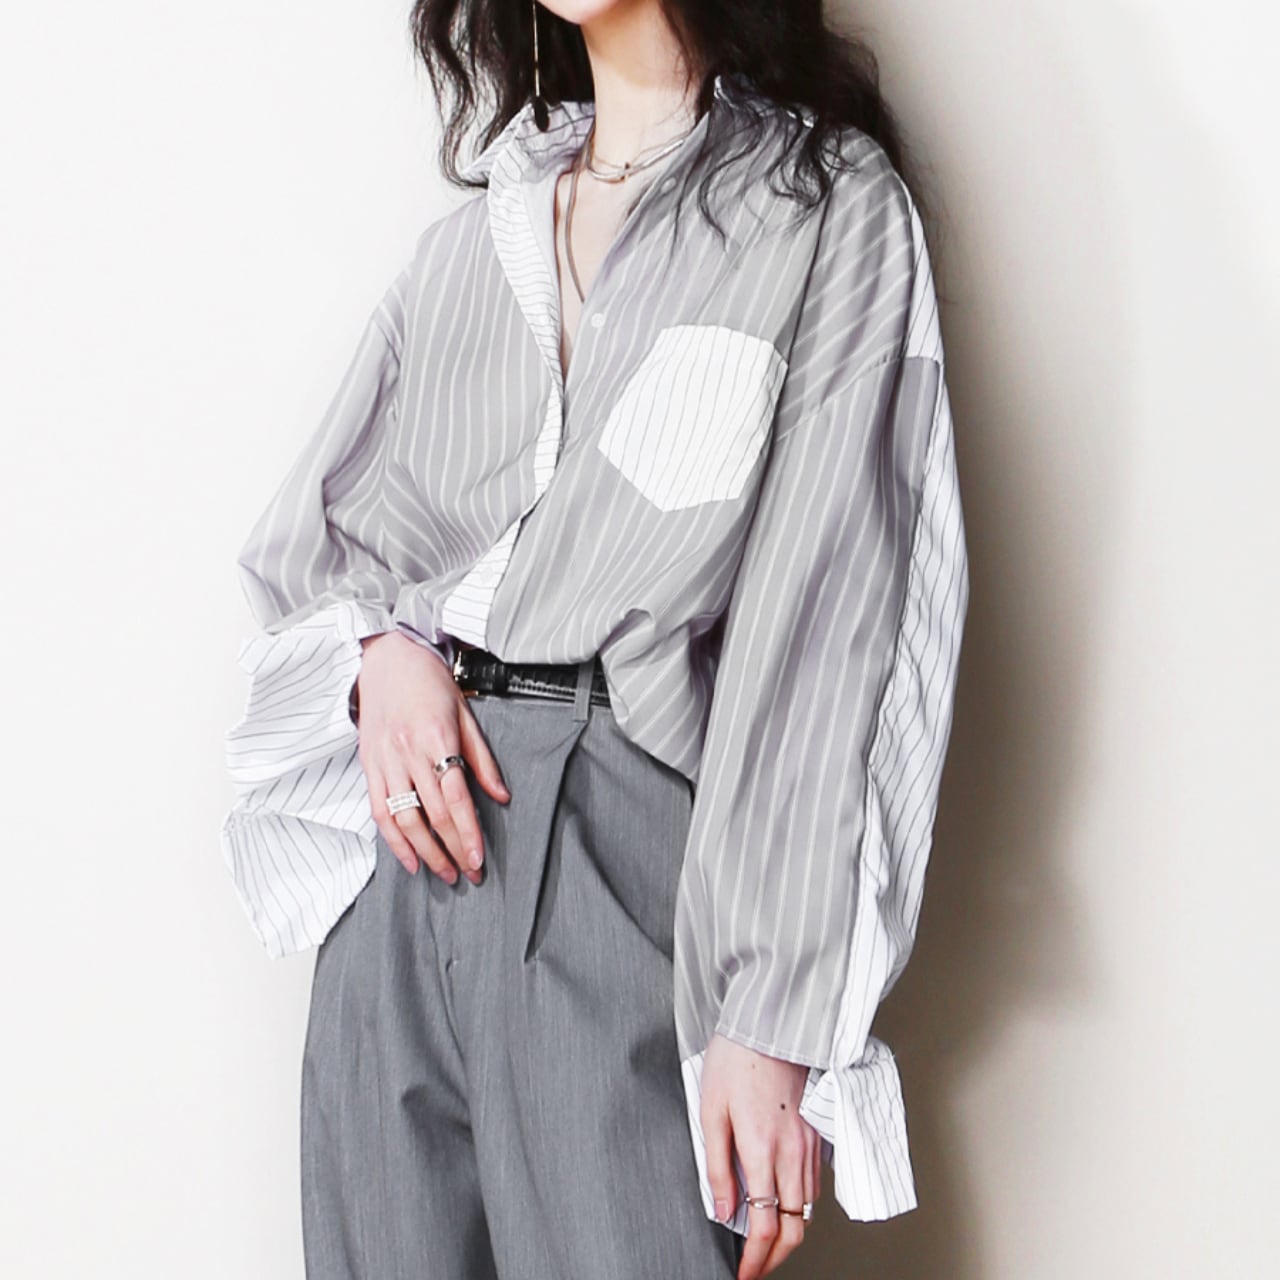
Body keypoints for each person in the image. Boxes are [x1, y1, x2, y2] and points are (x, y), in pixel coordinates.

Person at [219, 2, 970, 1278]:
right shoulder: (474, 241)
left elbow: (831, 631)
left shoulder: (821, 208)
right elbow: (317, 542)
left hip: (620, 850)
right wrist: (378, 661)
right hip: (398, 874)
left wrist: (771, 1017)